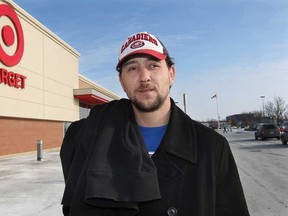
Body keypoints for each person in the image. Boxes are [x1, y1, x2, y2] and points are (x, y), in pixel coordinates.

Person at [60, 32, 250, 216]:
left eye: (153, 65)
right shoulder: (88, 137)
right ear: (121, 81)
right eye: (132, 68)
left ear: (171, 74)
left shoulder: (212, 147)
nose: (144, 77)